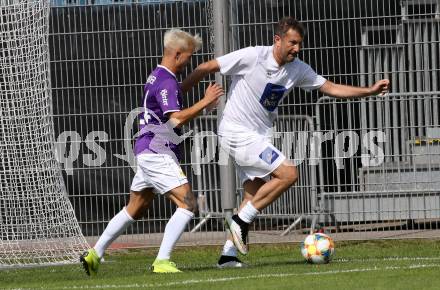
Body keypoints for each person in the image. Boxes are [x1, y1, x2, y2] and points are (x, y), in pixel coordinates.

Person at [181, 17, 389, 268]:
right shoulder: (253, 56)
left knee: (254, 193)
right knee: (289, 173)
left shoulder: (297, 68)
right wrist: (179, 93)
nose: (297, 48)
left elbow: (330, 87)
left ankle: (228, 256)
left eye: (300, 43)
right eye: (292, 42)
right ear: (277, 40)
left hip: (259, 136)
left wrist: (369, 91)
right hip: (236, 131)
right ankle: (239, 222)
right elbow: (206, 66)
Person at [80, 29, 224, 274]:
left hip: (146, 150)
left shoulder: (158, 75)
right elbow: (176, 119)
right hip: (158, 152)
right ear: (178, 54)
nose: (188, 62)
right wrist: (205, 101)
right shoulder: (167, 81)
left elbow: (175, 92)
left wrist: (197, 75)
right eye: (188, 57)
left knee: (135, 207)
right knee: (188, 204)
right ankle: (162, 261)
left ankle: (94, 254)